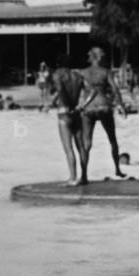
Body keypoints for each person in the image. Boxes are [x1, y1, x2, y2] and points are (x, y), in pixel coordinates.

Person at [80, 46, 127, 181]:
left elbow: (79, 90)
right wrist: (121, 105)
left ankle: (83, 175)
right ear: (98, 57)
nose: (104, 57)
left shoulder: (83, 73)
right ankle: (117, 169)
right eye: (102, 55)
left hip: (88, 108)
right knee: (112, 139)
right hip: (103, 106)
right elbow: (115, 89)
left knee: (86, 142)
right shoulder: (105, 72)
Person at [49, 53, 91, 185]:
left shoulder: (57, 74)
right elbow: (92, 91)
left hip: (64, 112)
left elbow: (61, 90)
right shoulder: (78, 76)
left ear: (58, 63)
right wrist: (82, 105)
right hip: (76, 113)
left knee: (69, 149)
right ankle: (84, 177)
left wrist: (66, 105)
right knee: (81, 147)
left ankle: (73, 178)